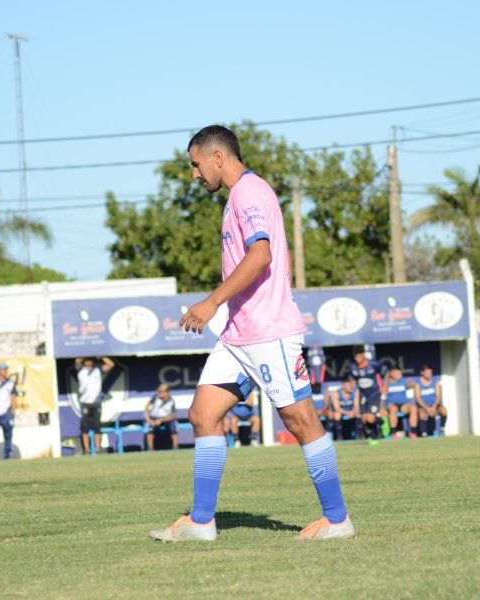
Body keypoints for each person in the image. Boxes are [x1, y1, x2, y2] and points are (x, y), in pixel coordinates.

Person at [149, 126, 353, 542]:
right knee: (203, 415)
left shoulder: (248, 191)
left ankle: (337, 519)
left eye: (195, 164)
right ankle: (201, 522)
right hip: (239, 336)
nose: (193, 174)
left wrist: (211, 303)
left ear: (217, 157)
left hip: (268, 332)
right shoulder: (236, 198)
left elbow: (261, 256)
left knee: (301, 421)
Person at [75, 356, 115, 455]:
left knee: (97, 426)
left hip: (96, 402)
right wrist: (85, 353)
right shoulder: (81, 370)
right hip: (85, 402)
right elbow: (76, 361)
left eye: (90, 360)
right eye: (86, 360)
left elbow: (111, 365)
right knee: (85, 427)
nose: (88, 361)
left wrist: (102, 357)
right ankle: (87, 449)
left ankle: (98, 449)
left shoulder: (98, 370)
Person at [349, 346, 387, 439]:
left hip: (374, 395)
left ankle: (381, 425)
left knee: (370, 418)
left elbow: (386, 372)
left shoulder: (373, 365)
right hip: (363, 396)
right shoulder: (353, 367)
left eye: (358, 356)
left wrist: (384, 386)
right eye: (355, 357)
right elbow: (353, 380)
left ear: (363, 355)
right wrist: (352, 386)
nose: (357, 359)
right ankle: (374, 436)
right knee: (364, 418)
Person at [384, 368, 419, 439]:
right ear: (391, 374)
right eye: (397, 374)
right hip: (392, 405)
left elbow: (413, 385)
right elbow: (384, 393)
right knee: (393, 409)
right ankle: (394, 433)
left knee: (414, 408)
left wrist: (413, 384)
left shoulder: (404, 381)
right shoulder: (387, 383)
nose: (400, 375)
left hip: (403, 405)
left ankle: (413, 433)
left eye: (400, 374)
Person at [145, 384, 178, 451]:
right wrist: (148, 419)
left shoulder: (171, 401)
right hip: (154, 418)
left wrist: (161, 420)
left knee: (173, 426)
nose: (159, 393)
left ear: (166, 392)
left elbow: (172, 415)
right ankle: (150, 449)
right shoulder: (155, 398)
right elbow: (147, 407)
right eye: (158, 391)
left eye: (161, 392)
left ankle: (175, 447)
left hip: (166, 419)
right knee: (150, 428)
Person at [416, 364, 447, 437]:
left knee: (443, 410)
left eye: (430, 373)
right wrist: (427, 408)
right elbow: (418, 398)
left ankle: (442, 429)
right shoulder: (418, 384)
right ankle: (424, 433)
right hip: (424, 407)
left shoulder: (435, 382)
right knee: (422, 413)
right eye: (427, 373)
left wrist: (433, 407)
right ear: (422, 373)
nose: (429, 374)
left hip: (434, 406)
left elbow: (438, 396)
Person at [328, 376, 360, 441]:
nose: (351, 386)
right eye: (349, 384)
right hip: (342, 411)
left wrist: (353, 411)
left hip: (351, 411)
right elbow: (337, 408)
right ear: (343, 385)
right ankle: (339, 437)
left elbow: (356, 406)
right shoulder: (336, 392)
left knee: (358, 413)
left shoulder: (356, 392)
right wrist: (347, 413)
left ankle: (358, 435)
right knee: (337, 414)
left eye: (352, 383)